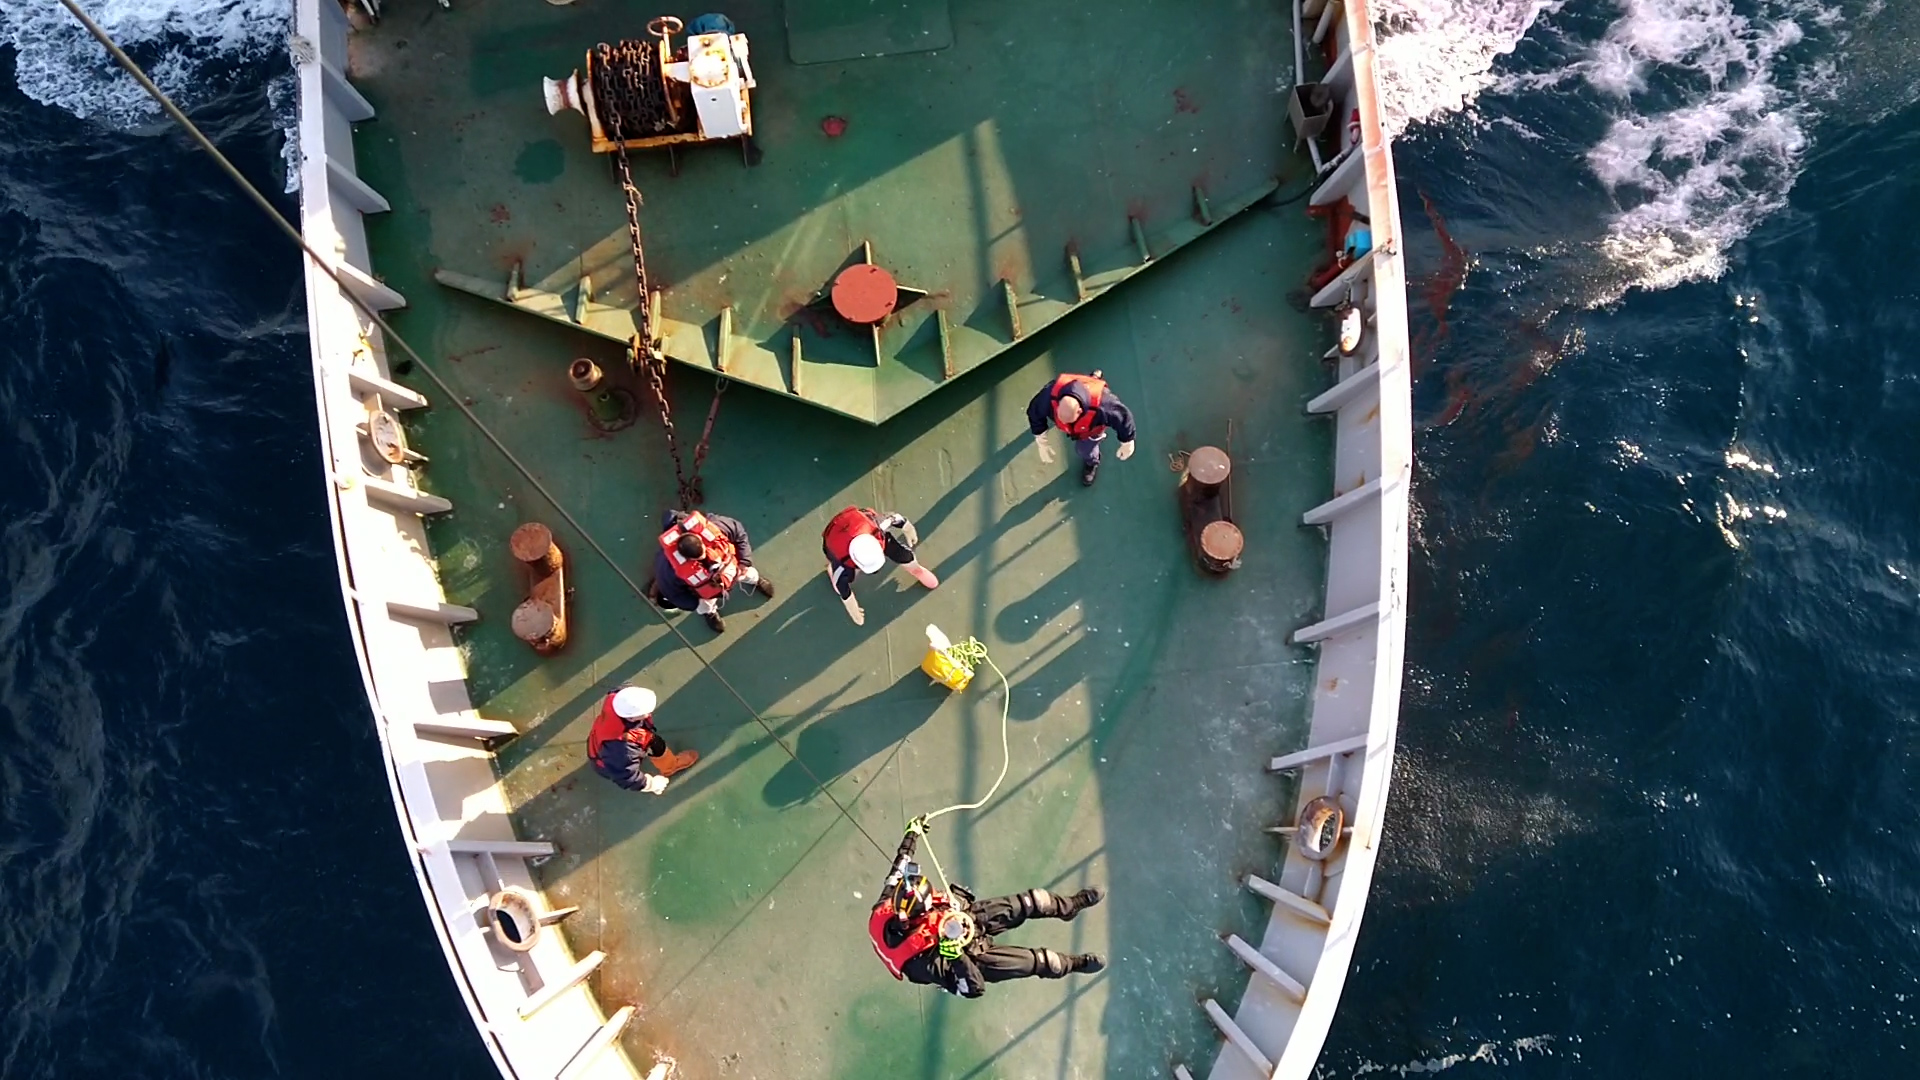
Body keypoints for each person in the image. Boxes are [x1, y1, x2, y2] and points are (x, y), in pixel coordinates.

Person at [868, 818, 1105, 998]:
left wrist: (912, 833)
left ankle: (1070, 906)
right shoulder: (922, 965)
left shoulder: (886, 904)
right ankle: (1076, 963)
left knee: (1034, 901)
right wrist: (956, 955)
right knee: (1044, 961)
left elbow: (901, 862)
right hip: (970, 958)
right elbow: (973, 988)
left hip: (964, 919)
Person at [648, 508, 773, 634]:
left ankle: (756, 581)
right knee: (704, 607)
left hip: (734, 570)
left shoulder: (717, 526)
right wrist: (694, 603)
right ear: (686, 557)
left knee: (750, 573)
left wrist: (744, 562)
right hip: (705, 593)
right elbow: (672, 593)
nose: (703, 557)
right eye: (697, 558)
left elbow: (739, 532)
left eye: (702, 550)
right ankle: (711, 614)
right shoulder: (667, 568)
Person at [821, 505, 937, 626]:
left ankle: (917, 570)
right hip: (837, 541)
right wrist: (854, 611)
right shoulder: (842, 559)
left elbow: (895, 518)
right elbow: (846, 595)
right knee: (842, 579)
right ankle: (831, 570)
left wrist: (908, 529)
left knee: (902, 554)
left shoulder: (877, 526)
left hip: (861, 527)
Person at [1026, 369, 1137, 486]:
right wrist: (1041, 438)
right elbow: (1034, 413)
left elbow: (1123, 417)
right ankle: (1093, 378)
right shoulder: (1048, 397)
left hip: (1090, 429)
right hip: (1077, 399)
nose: (1063, 422)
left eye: (1068, 420)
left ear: (1079, 411)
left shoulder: (1104, 406)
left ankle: (1092, 462)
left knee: (1085, 450)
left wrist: (1127, 441)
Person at [587, 685, 698, 794]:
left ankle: (667, 763)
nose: (649, 713)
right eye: (645, 712)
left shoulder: (617, 696)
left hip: (601, 745)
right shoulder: (623, 748)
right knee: (649, 750)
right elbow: (627, 777)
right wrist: (653, 785)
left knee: (656, 744)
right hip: (609, 763)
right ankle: (670, 768)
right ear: (631, 718)